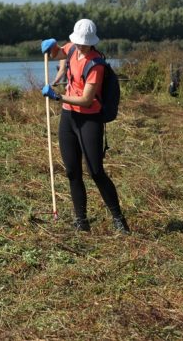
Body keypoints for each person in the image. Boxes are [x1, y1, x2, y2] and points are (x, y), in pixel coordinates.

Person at [41, 19, 130, 233]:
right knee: (72, 171)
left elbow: (87, 100)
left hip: (89, 119)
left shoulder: (96, 64)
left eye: (84, 43)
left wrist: (58, 97)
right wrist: (51, 47)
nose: (80, 46)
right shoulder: (72, 49)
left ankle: (118, 218)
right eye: (78, 42)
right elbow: (57, 53)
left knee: (96, 171)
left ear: (92, 42)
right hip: (68, 119)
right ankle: (81, 221)